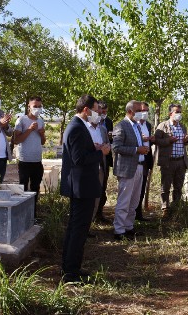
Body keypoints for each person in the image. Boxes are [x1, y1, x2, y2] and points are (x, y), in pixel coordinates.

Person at [60, 94, 111, 283]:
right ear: (86, 110)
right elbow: (79, 159)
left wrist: (95, 148)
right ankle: (70, 272)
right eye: (96, 110)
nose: (98, 113)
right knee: (78, 229)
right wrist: (101, 152)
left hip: (84, 184)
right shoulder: (76, 128)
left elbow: (81, 152)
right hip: (80, 186)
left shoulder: (79, 127)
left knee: (77, 228)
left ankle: (70, 267)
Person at [112, 101, 150, 240]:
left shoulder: (137, 126)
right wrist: (136, 150)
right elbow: (116, 147)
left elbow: (138, 145)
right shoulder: (121, 126)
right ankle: (119, 230)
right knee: (124, 201)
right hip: (127, 169)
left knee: (134, 201)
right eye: (138, 110)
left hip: (139, 166)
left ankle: (129, 227)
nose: (141, 112)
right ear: (130, 111)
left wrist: (142, 149)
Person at [154, 103, 188, 218]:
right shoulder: (162, 126)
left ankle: (176, 208)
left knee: (178, 187)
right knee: (165, 187)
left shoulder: (182, 127)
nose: (179, 114)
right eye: (177, 112)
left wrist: (186, 141)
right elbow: (156, 140)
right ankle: (165, 208)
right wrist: (168, 140)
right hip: (168, 161)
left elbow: (186, 142)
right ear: (170, 113)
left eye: (180, 112)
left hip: (181, 161)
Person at [13, 96, 46, 204]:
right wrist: (29, 129)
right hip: (25, 161)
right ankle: (21, 212)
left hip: (37, 161)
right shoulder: (21, 120)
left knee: (35, 188)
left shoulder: (41, 121)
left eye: (40, 106)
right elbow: (16, 140)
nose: (38, 108)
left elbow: (42, 142)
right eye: (35, 106)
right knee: (22, 188)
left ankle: (33, 215)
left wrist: (42, 134)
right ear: (29, 107)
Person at [135, 102, 155, 221]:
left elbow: (148, 141)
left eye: (147, 111)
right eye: (143, 110)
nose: (145, 113)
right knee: (134, 188)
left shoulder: (147, 124)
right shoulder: (133, 125)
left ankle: (139, 213)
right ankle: (132, 213)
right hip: (135, 160)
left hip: (146, 160)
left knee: (141, 187)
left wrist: (151, 140)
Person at [96, 100, 113, 223]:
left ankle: (99, 212)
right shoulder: (94, 122)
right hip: (95, 157)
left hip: (106, 158)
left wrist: (110, 137)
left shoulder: (108, 122)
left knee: (103, 185)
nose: (104, 114)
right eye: (102, 111)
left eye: (106, 112)